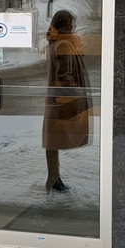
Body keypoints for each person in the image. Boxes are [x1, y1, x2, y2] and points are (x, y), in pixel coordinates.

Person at [42, 10, 91, 193]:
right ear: (65, 24)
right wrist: (76, 92)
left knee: (52, 141)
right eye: (71, 23)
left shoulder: (58, 41)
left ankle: (54, 179)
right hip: (63, 100)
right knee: (54, 140)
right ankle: (53, 180)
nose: (73, 27)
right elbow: (63, 75)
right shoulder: (63, 43)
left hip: (58, 99)